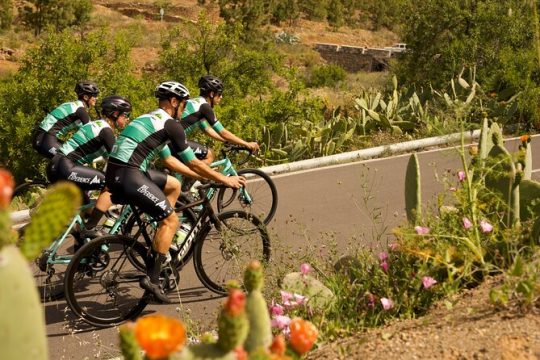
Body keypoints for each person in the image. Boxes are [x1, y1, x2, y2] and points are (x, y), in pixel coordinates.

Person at [105, 81, 246, 303]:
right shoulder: (172, 125)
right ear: (173, 102)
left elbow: (169, 160)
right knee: (172, 221)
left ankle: (160, 236)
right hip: (129, 175)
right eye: (183, 104)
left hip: (116, 174)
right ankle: (152, 279)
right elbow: (195, 164)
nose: (185, 108)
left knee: (173, 185)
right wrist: (224, 179)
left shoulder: (150, 119)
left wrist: (200, 177)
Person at [46, 96, 132, 245]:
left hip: (56, 165)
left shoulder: (97, 126)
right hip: (66, 167)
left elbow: (109, 158)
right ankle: (91, 229)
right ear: (115, 114)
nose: (127, 119)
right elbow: (120, 161)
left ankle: (81, 252)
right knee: (110, 185)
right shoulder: (106, 131)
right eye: (126, 115)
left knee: (86, 210)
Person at [179, 75, 259, 189]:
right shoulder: (205, 107)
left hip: (173, 141)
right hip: (175, 143)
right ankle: (186, 189)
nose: (221, 97)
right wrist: (246, 144)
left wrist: (225, 141)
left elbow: (207, 130)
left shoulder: (195, 103)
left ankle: (184, 181)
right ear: (211, 94)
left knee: (201, 157)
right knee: (210, 154)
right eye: (219, 94)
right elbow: (223, 132)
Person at [33, 81, 100, 158]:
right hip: (47, 140)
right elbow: (93, 131)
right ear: (86, 97)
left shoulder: (70, 105)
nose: (96, 98)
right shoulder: (80, 110)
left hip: (41, 138)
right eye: (94, 95)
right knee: (71, 161)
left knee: (68, 162)